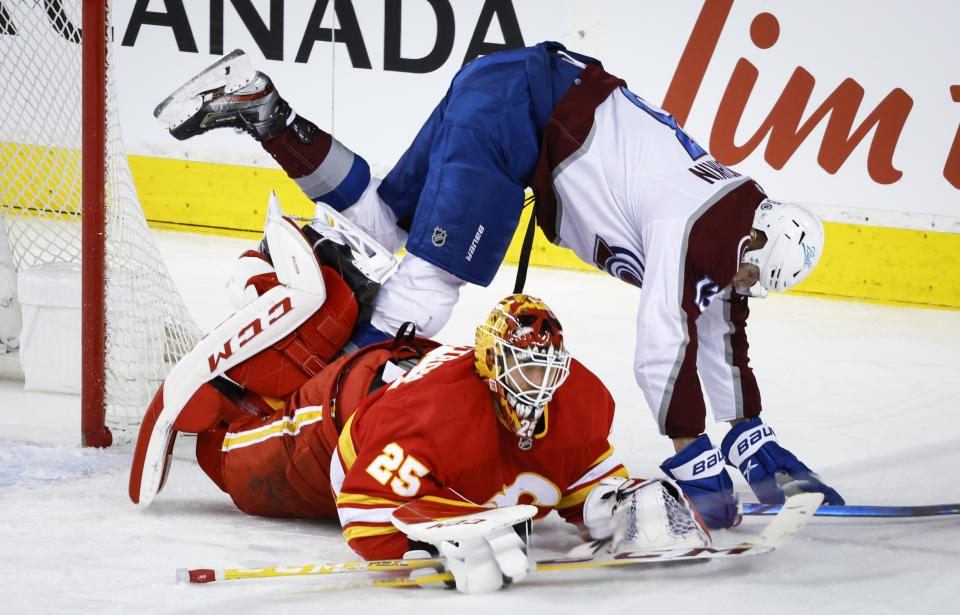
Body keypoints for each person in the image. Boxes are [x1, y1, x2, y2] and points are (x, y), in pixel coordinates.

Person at [153, 42, 843, 530]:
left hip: (510, 83)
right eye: (750, 267)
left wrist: (749, 432)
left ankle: (269, 114)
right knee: (426, 292)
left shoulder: (736, 215)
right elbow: (663, 346)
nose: (742, 279)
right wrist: (693, 455)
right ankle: (321, 423)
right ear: (754, 237)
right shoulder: (699, 227)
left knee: (391, 224)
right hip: (519, 116)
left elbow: (720, 322)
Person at [130, 292, 712, 594]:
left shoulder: (574, 399)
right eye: (521, 368)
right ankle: (221, 393)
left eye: (546, 370)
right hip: (337, 426)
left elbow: (580, 469)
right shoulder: (437, 417)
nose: (537, 387)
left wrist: (614, 505)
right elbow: (360, 508)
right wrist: (434, 540)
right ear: (490, 362)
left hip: (397, 383)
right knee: (231, 464)